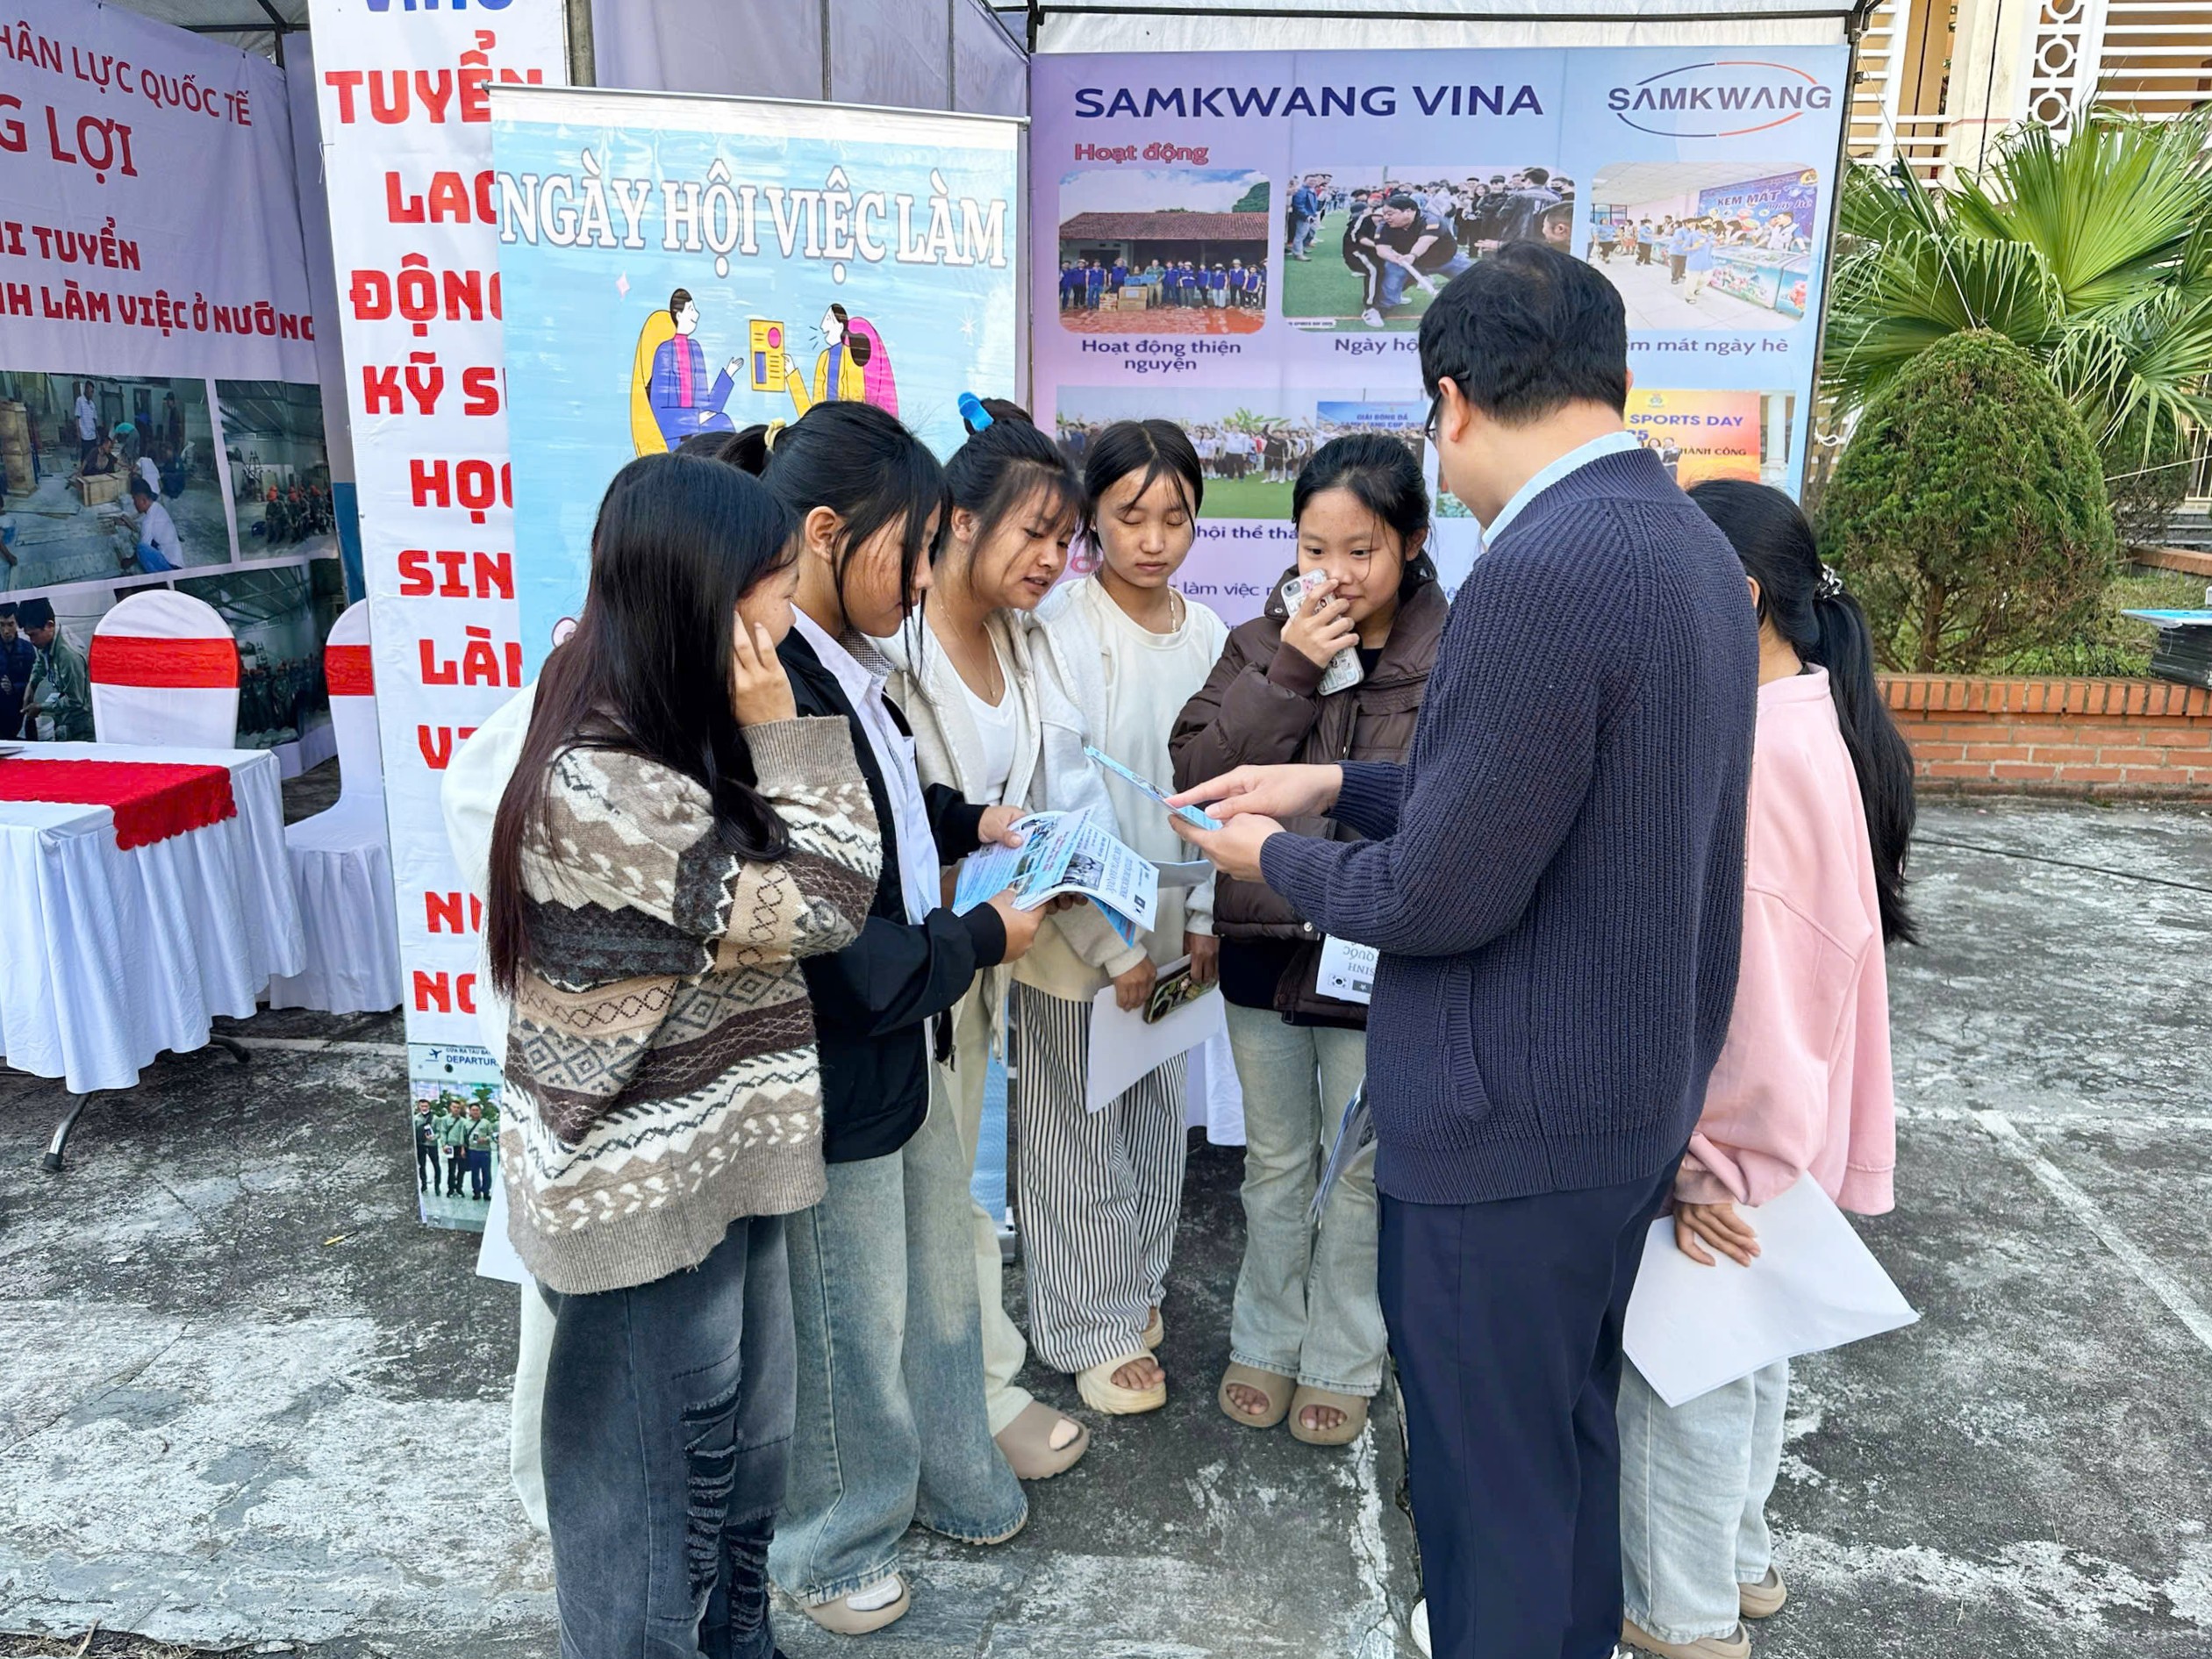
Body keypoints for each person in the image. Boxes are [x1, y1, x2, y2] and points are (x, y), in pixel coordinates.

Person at [1167, 244, 1757, 1659]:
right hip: (1618, 1099)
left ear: (1453, 401)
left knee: (1487, 1495)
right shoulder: (1682, 541)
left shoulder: (1541, 567)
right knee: (1558, 1446)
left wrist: (1269, 858)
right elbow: (1544, 802)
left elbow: (1439, 891)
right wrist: (1334, 782)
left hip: (1511, 1120)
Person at [484, 450, 880, 1659]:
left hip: (719, 1162)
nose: (787, 618)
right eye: (775, 589)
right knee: (652, 1522)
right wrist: (786, 735)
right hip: (640, 1199)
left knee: (742, 1462)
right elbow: (829, 900)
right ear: (704, 597)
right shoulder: (599, 781)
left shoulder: (665, 728)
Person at [727, 408, 1080, 1634]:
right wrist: (981, 937)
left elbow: (874, 814)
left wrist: (967, 822)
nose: (926, 577)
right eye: (914, 548)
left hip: (899, 1029)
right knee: (847, 1313)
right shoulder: (774, 681)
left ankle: (930, 1473)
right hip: (841, 1045)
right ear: (828, 531)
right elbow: (828, 925)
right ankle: (830, 1545)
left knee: (918, 1282)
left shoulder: (842, 664)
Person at [1616, 482, 1911, 1659]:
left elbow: (1755, 993)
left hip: (1737, 1136)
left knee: (1680, 1380)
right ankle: (1736, 1564)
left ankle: (1681, 1616)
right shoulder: (1805, 714)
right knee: (1747, 1356)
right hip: (1783, 1129)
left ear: (1733, 595)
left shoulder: (1757, 749)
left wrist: (1710, 1162)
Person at [874, 399, 1160, 1418]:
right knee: (925, 1185)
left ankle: (973, 1387)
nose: (1053, 559)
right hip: (919, 955)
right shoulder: (891, 653)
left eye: (1064, 539)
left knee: (966, 1173)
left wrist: (1114, 939)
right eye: (1034, 533)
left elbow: (1065, 801)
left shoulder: (1026, 642)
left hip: (1000, 944)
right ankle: (978, 1398)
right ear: (959, 520)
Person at [1170, 433, 1447, 1449]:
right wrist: (1291, 667)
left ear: (1410, 542)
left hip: (1383, 955)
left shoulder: (1453, 654)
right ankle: (1266, 1337)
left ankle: (1342, 1356)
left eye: (1360, 551)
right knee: (1277, 1161)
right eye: (1312, 549)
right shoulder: (1258, 642)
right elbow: (1194, 774)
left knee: (1362, 1168)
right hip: (1264, 949)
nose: (1333, 574)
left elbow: (1450, 805)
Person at [1030, 418, 1229, 1423]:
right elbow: (1059, 792)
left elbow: (1219, 791)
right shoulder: (1062, 629)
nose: (1153, 539)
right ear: (1092, 519)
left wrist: (1204, 914)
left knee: (1156, 1120)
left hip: (1177, 916)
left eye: (1175, 517)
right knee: (1076, 1130)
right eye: (1130, 515)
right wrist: (1111, 945)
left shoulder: (1209, 635)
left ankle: (1135, 1288)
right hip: (1080, 925)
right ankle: (1087, 1326)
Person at [1348, 193, 1474, 329]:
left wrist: (1412, 255)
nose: (1386, 217)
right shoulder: (1384, 226)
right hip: (1406, 262)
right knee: (1391, 280)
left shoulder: (1431, 220)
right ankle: (1382, 307)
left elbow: (1425, 241)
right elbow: (1382, 249)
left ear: (1408, 212)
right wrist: (1394, 258)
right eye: (1384, 213)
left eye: (1390, 213)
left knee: (1476, 278)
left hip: (1446, 260)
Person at [648, 288, 742, 445]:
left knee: (722, 422)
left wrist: (728, 374)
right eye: (691, 309)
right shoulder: (665, 351)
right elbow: (660, 411)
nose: (696, 315)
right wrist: (694, 419)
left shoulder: (695, 348)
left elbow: (709, 406)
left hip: (698, 429)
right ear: (679, 315)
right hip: (677, 436)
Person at [18, 598, 92, 742]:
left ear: (49, 625)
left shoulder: (69, 656)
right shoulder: (47, 639)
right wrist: (31, 686)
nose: (32, 641)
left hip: (83, 726)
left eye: (33, 635)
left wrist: (41, 707)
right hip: (66, 720)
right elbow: (40, 662)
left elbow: (75, 701)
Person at [127, 478, 183, 573]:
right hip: (177, 562)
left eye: (134, 499)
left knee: (141, 548)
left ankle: (158, 578)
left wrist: (129, 561)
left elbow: (144, 547)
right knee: (146, 542)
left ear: (144, 501)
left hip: (170, 567)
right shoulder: (158, 507)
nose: (134, 504)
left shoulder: (148, 521)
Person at [1679, 218, 1717, 304]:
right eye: (1706, 222)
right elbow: (1684, 248)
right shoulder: (1692, 235)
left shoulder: (1710, 235)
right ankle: (1689, 296)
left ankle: (1695, 288)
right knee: (1691, 281)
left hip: (1707, 262)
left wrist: (1716, 243)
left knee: (1706, 279)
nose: (1708, 224)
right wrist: (1693, 247)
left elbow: (1713, 243)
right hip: (1694, 263)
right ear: (1699, 223)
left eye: (1710, 222)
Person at [1289, 175, 1321, 258]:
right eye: (1311, 180)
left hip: (1311, 215)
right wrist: (1306, 215)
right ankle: (1298, 254)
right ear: (1305, 181)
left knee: (1310, 233)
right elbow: (1299, 205)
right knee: (1300, 235)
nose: (1313, 182)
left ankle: (1301, 248)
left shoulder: (1311, 190)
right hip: (1303, 216)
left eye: (1314, 181)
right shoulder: (1301, 191)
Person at [413, 1105, 443, 1196]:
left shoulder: (436, 1118)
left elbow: (439, 1132)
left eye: (426, 1106)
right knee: (422, 1165)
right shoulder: (416, 1118)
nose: (424, 1108)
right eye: (422, 1106)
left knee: (436, 1165)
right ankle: (424, 1184)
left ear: (429, 1106)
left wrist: (433, 1137)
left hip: (432, 1145)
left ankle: (437, 1186)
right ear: (419, 1107)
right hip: (421, 1145)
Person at [73, 383, 98, 469]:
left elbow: (94, 419)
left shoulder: (92, 404)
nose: (92, 394)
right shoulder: (80, 401)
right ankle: (83, 472)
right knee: (85, 456)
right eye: (91, 391)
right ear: (86, 390)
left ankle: (92, 471)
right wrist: (78, 433)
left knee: (93, 454)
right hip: (84, 435)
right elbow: (77, 418)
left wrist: (96, 433)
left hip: (92, 435)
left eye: (93, 392)